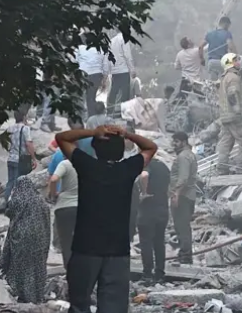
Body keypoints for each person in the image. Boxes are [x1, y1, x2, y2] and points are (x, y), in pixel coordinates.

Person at [55, 125, 157, 313]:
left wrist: (94, 131)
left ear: (95, 147)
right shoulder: (128, 169)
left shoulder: (87, 166)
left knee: (79, 305)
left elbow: (62, 138)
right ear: (121, 150)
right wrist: (126, 134)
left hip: (85, 248)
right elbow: (150, 147)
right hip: (117, 251)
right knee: (114, 308)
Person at [0, 176, 50, 302]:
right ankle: (37, 296)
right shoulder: (41, 201)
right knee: (37, 266)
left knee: (23, 267)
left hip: (22, 239)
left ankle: (25, 295)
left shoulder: (17, 200)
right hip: (40, 239)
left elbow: (8, 212)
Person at [216, 53, 242, 175]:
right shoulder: (233, 78)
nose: (238, 62)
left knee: (225, 142)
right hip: (235, 116)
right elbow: (232, 94)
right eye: (236, 60)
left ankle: (221, 168)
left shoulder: (225, 78)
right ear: (230, 63)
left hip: (225, 117)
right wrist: (238, 111)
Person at [137, 158, 170, 282]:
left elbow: (144, 175)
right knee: (159, 242)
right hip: (162, 208)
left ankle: (147, 274)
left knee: (146, 242)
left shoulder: (146, 164)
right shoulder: (163, 166)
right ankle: (160, 273)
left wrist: (144, 193)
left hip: (148, 209)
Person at [169, 132, 197, 263]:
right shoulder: (189, 155)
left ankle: (185, 256)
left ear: (184, 142)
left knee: (181, 226)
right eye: (173, 141)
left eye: (176, 141)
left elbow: (183, 178)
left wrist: (176, 195)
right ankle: (185, 254)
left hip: (183, 196)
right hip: (188, 195)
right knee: (183, 226)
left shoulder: (183, 157)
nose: (174, 144)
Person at [48, 153, 78, 267]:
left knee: (66, 241)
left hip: (64, 207)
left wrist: (53, 194)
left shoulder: (65, 164)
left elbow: (54, 179)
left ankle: (69, 269)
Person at [4, 110, 38, 200]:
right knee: (18, 184)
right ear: (24, 117)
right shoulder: (25, 129)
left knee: (10, 182)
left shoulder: (9, 128)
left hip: (10, 159)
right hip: (20, 160)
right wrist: (34, 159)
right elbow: (28, 144)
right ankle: (17, 206)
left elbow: (6, 144)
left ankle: (6, 204)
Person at [76, 35, 108, 118]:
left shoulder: (80, 48)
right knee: (91, 98)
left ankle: (80, 118)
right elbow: (105, 67)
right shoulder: (101, 50)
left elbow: (74, 62)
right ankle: (91, 118)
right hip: (96, 76)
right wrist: (104, 81)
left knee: (80, 97)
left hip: (83, 74)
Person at [105, 32, 136, 114]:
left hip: (115, 71)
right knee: (125, 93)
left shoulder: (111, 41)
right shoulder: (124, 39)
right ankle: (124, 113)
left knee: (113, 91)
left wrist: (108, 70)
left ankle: (109, 111)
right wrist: (132, 69)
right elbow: (127, 55)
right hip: (124, 70)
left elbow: (108, 57)